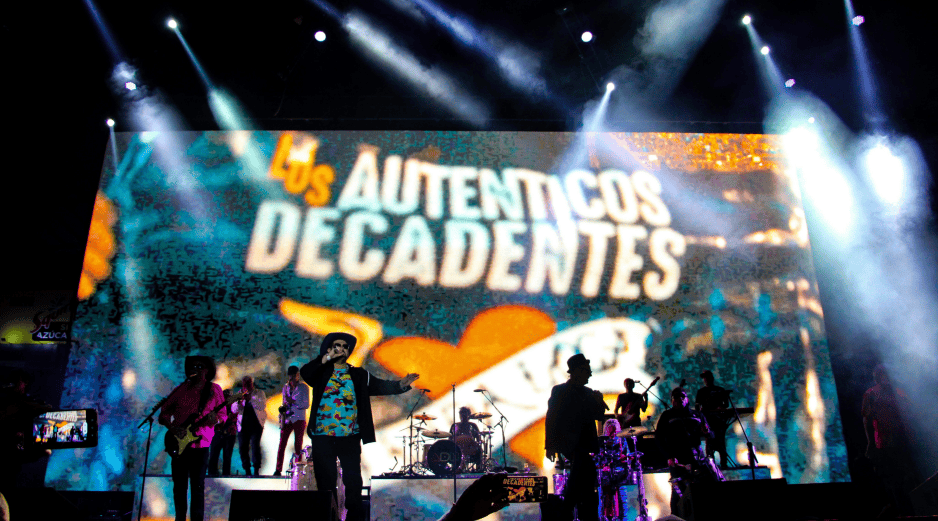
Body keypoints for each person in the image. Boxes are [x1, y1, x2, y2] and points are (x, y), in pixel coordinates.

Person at [300, 332, 419, 521]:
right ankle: (328, 517)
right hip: (323, 435)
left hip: (350, 435)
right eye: (337, 346)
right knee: (326, 481)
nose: (342, 349)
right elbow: (305, 374)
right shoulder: (320, 372)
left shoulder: (358, 374)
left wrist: (401, 385)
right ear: (329, 349)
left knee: (353, 480)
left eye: (345, 347)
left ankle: (354, 518)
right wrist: (323, 359)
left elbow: (381, 386)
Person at [158, 356, 226, 521]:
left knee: (197, 487)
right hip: (179, 444)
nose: (196, 369)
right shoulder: (181, 388)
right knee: (179, 487)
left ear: (207, 370)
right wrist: (173, 428)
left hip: (201, 445)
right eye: (193, 366)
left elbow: (223, 416)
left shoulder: (214, 389)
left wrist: (214, 420)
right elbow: (164, 414)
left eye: (200, 366)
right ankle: (179, 518)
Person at [545, 353, 608, 521]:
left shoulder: (589, 393)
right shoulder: (559, 391)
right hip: (572, 446)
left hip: (583, 447)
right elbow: (551, 418)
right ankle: (571, 512)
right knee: (584, 480)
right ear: (577, 371)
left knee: (583, 484)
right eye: (587, 370)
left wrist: (599, 402)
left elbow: (599, 417)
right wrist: (550, 445)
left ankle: (570, 512)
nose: (590, 374)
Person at [862, 364, 917, 515]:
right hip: (885, 443)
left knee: (908, 476)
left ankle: (913, 509)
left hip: (901, 440)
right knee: (894, 480)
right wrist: (870, 443)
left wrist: (911, 434)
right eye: (883, 375)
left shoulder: (898, 392)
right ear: (878, 377)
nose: (886, 377)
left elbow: (909, 413)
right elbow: (867, 419)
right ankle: (899, 510)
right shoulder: (871, 393)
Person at [656, 387, 714, 518]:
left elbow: (711, 435)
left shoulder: (697, 415)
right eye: (676, 397)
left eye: (682, 396)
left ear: (687, 399)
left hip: (697, 459)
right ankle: (676, 517)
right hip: (677, 460)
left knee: (700, 491)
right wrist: (668, 456)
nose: (679, 399)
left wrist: (707, 432)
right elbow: (658, 438)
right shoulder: (667, 416)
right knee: (678, 493)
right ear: (672, 401)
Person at [274, 366, 310, 476]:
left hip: (299, 418)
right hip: (287, 419)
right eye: (291, 376)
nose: (293, 378)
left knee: (298, 445)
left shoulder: (304, 387)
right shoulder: (285, 388)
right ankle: (278, 469)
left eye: (295, 375)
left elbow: (306, 404)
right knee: (282, 444)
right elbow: (284, 402)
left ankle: (297, 469)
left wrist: (293, 401)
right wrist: (282, 414)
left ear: (298, 375)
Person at [231, 375, 267, 476]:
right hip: (243, 425)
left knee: (255, 446)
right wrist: (239, 401)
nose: (247, 385)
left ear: (252, 383)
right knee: (243, 447)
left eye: (249, 382)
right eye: (245, 383)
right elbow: (233, 410)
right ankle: (247, 469)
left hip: (256, 424)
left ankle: (256, 470)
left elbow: (262, 406)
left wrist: (250, 399)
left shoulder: (259, 393)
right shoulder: (238, 394)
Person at [695, 370, 730, 468]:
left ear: (712, 378)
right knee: (709, 443)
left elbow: (726, 404)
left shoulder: (720, 390)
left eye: (707, 377)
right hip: (707, 421)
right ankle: (712, 466)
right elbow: (697, 406)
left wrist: (720, 408)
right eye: (704, 378)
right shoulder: (701, 392)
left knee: (721, 442)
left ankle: (724, 465)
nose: (706, 380)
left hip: (719, 420)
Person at [207, 389, 238, 476]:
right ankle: (212, 474)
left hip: (229, 434)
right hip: (218, 432)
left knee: (227, 457)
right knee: (214, 456)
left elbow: (235, 417)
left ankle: (226, 475)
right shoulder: (216, 406)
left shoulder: (234, 406)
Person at [450, 407, 483, 471]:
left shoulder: (473, 425)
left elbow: (478, 439)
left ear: (469, 415)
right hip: (457, 448)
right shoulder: (455, 425)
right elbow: (450, 439)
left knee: (479, 450)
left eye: (465, 413)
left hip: (470, 447)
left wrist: (476, 443)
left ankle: (478, 468)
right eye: (461, 413)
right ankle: (456, 468)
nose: (463, 415)